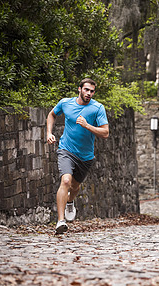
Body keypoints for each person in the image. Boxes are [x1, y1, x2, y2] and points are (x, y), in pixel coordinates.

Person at [46, 78, 109, 234]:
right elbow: (52, 114)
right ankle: (60, 221)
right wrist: (49, 133)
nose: (89, 93)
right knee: (66, 180)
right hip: (66, 150)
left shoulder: (97, 108)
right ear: (79, 89)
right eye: (86, 90)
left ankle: (70, 202)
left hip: (85, 157)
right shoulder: (66, 103)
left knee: (75, 187)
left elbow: (105, 133)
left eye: (92, 91)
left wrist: (87, 125)